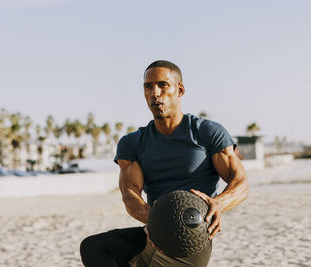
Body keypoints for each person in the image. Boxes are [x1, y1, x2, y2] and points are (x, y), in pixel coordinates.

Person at [80, 60, 249, 267]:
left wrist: (218, 203)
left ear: (180, 90)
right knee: (94, 247)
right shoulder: (133, 142)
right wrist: (157, 224)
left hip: (192, 234)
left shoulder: (206, 132)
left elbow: (240, 183)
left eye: (162, 85)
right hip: (154, 229)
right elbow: (130, 195)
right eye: (148, 87)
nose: (155, 93)